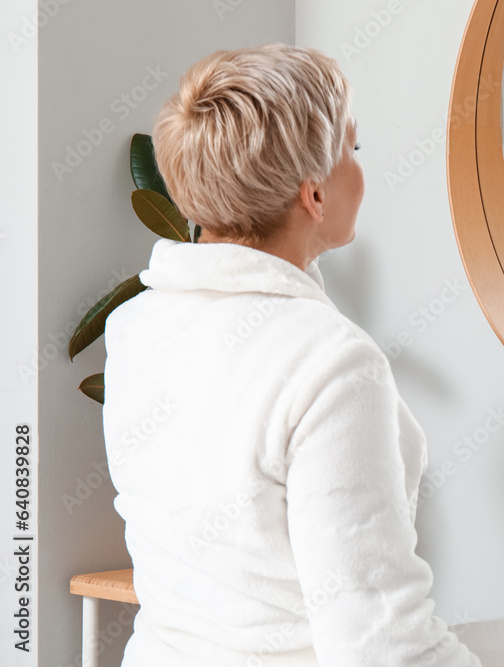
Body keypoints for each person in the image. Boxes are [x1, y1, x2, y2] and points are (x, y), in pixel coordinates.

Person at [102, 44, 482, 666]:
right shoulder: (332, 363)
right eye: (353, 151)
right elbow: (378, 640)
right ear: (314, 196)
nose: (362, 169)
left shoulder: (136, 327)